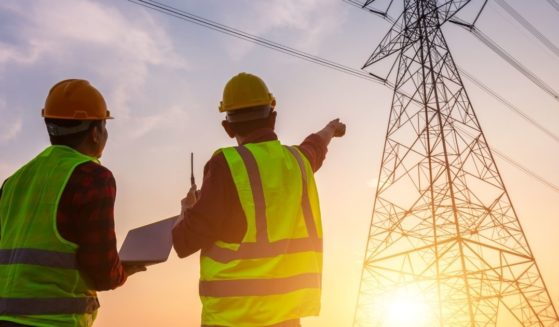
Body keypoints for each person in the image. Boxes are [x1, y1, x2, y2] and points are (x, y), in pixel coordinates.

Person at [172, 72, 346, 327]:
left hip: (232, 319)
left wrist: (187, 210)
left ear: (227, 128)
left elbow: (185, 241)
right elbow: (315, 146)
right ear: (273, 118)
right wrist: (330, 129)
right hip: (285, 319)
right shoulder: (298, 163)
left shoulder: (225, 165)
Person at [0, 79, 145, 327]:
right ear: (96, 132)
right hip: (56, 321)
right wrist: (122, 271)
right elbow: (102, 273)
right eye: (104, 126)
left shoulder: (13, 182)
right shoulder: (93, 177)